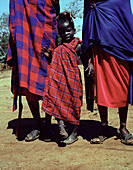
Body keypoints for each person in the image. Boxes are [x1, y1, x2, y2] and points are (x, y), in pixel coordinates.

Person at [7, 0, 60, 141]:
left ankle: (48, 124)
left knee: (49, 81)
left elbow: (55, 5)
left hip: (46, 31)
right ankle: (38, 125)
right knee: (28, 80)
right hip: (25, 36)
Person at [82, 0, 133, 145]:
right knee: (101, 88)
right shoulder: (90, 2)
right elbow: (88, 25)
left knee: (122, 88)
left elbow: (126, 16)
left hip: (120, 47)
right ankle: (104, 127)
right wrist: (89, 58)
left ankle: (123, 128)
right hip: (99, 50)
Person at [42, 11, 92, 144]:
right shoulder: (59, 49)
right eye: (62, 32)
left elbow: (85, 58)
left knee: (75, 104)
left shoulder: (78, 46)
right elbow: (57, 64)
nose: (66, 34)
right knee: (57, 100)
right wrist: (49, 57)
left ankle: (74, 133)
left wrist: (90, 64)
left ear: (74, 30)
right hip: (61, 82)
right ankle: (60, 125)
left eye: (68, 30)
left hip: (74, 81)